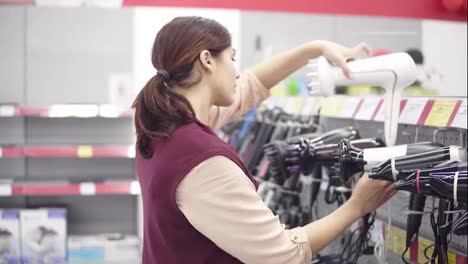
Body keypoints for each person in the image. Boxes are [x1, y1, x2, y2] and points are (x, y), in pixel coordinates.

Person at [133, 16, 396, 264]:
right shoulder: (203, 161)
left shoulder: (159, 127)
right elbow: (282, 255)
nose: (237, 72)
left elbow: (250, 85)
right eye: (232, 58)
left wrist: (313, 50)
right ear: (207, 60)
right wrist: (358, 205)